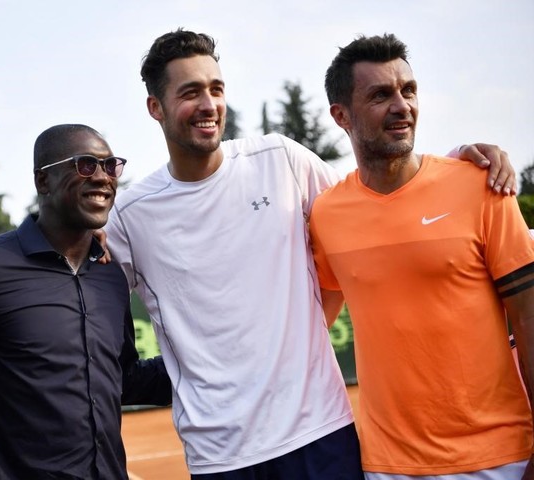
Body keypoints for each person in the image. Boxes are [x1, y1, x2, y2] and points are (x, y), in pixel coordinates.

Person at [104, 29, 519, 479]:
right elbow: (79, 287)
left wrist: (456, 166)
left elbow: (374, 195)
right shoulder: (130, 216)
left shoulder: (281, 159)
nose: (209, 105)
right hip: (221, 454)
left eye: (216, 89)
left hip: (321, 433)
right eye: (190, 93)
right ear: (155, 108)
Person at [310, 33, 534, 479]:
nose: (402, 106)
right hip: (388, 466)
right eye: (380, 95)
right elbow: (314, 325)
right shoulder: (326, 213)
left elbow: (529, 319)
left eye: (408, 90)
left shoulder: (482, 186)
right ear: (341, 115)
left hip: (501, 459)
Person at [0, 124, 172, 480]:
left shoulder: (111, 275)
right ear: (43, 181)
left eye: (110, 166)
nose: (104, 177)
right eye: (86, 165)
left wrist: (208, 363)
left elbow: (121, 379)